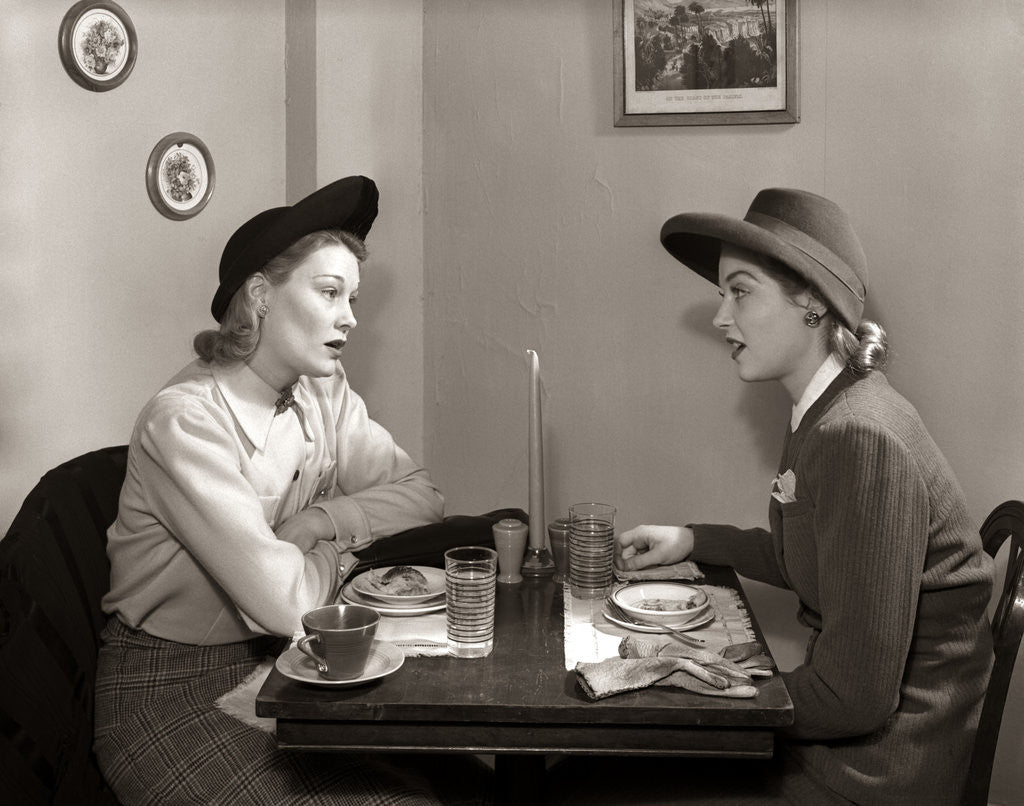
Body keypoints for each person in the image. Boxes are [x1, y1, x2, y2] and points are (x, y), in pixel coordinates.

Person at [551, 189, 994, 805]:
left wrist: (685, 687)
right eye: (722, 294)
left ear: (811, 302)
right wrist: (693, 540)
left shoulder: (860, 435)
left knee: (581, 784)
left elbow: (855, 698)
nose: (720, 317)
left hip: (870, 772)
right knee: (586, 770)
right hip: (849, 744)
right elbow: (821, 558)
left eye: (741, 291)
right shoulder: (830, 408)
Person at [94, 176, 492, 805]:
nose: (350, 317)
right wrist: (348, 553)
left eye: (352, 298)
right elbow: (289, 603)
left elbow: (422, 497)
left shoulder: (322, 388)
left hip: (296, 664)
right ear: (260, 297)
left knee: (478, 781)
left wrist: (316, 524)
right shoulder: (186, 421)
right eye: (330, 292)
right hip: (172, 691)